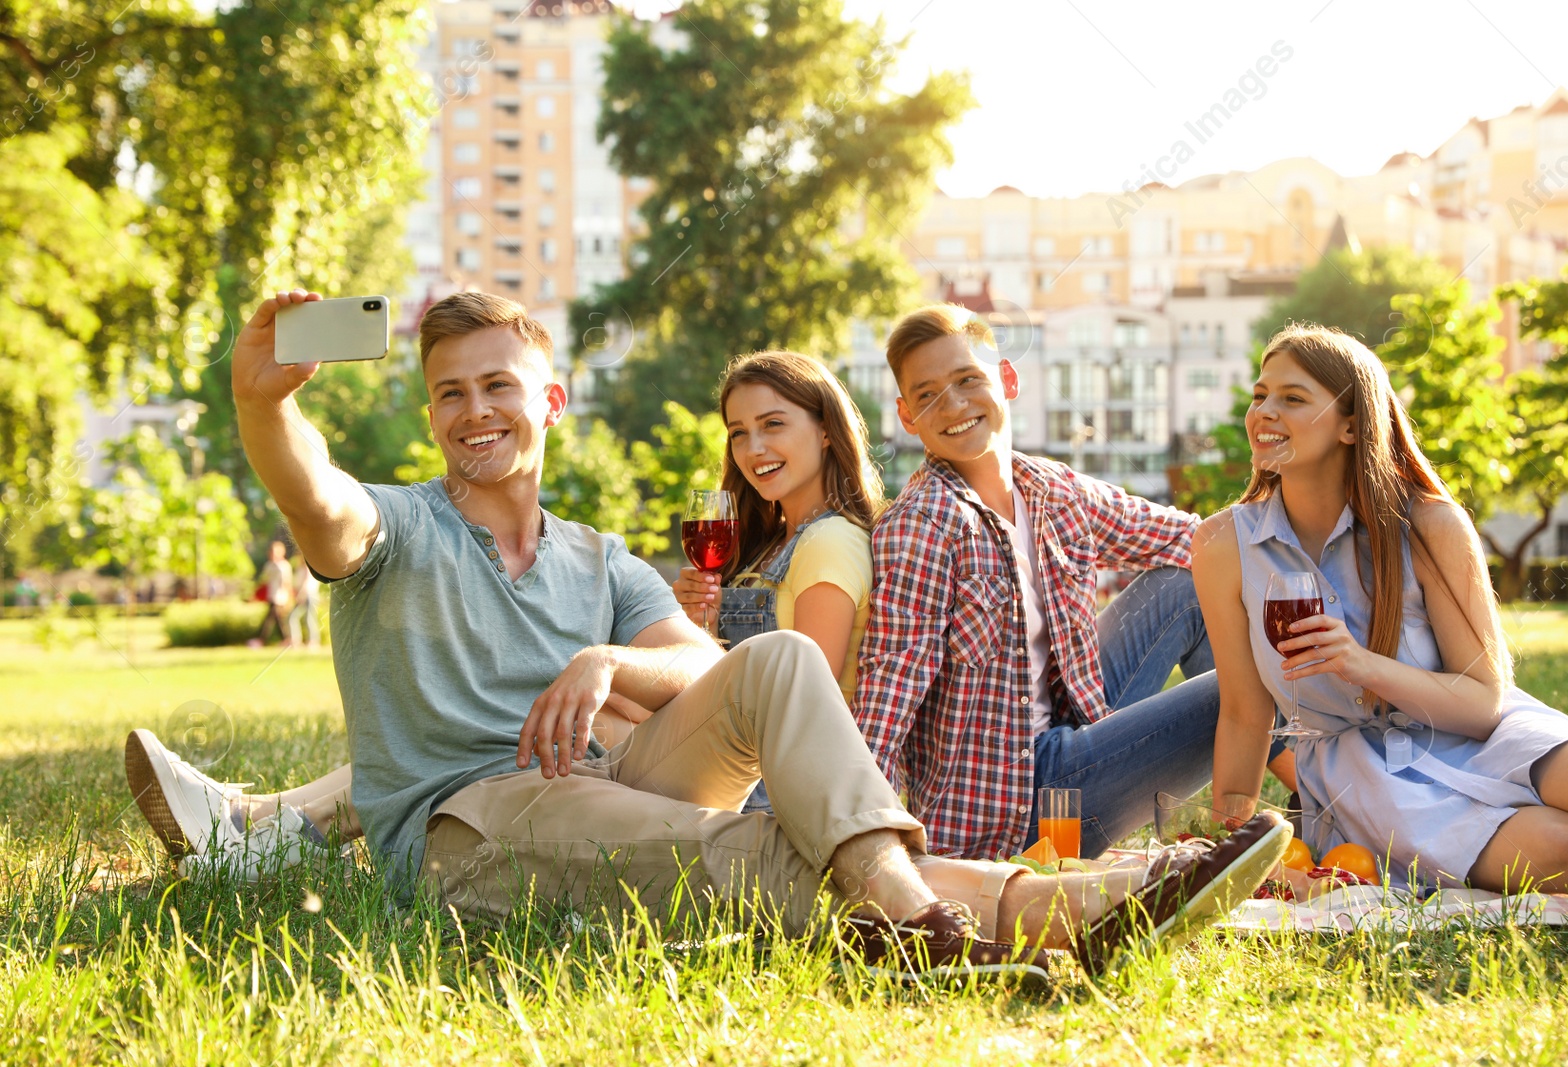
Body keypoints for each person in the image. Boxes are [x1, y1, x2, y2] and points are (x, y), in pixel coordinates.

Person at [124, 288, 1290, 982]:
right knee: (740, 859)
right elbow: (317, 501)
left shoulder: (596, 556)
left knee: (776, 661)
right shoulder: (398, 530)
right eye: (449, 395)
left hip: (596, 773)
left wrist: (609, 660)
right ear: (430, 413)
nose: (474, 411)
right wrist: (263, 407)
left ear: (549, 403)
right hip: (469, 821)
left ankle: (934, 907)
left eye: (498, 386)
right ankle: (1048, 907)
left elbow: (708, 664)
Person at [854, 304, 1295, 863]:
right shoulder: (923, 525)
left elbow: (1197, 539)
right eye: (928, 395)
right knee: (1240, 684)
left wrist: (1323, 563)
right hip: (1022, 806)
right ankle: (1271, 829)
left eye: (968, 380)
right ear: (907, 416)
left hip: (1075, 735)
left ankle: (1308, 787)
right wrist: (871, 852)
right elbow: (888, 699)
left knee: (1188, 582)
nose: (955, 405)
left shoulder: (1047, 487)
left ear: (1008, 379)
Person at [1194, 324, 1568, 895]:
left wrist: (1360, 664)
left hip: (1491, 738)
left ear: (1353, 426)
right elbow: (1242, 714)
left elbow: (1484, 704)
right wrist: (1225, 854)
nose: (1264, 411)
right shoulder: (1221, 547)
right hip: (1367, 784)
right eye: (1260, 395)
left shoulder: (1430, 525)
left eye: (1292, 397)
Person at [672, 351, 882, 813]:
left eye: (773, 424)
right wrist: (700, 622)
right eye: (739, 434)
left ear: (826, 429)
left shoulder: (830, 541)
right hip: (737, 765)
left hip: (774, 792)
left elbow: (807, 703)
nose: (753, 449)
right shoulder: (765, 547)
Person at [253, 540, 293, 646]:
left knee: (270, 619)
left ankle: (262, 640)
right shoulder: (269, 565)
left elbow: (287, 582)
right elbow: (264, 580)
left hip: (280, 596)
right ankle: (286, 639)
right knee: (277, 619)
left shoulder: (284, 566)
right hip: (271, 595)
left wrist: (288, 597)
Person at [285, 554, 320, 649]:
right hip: (301, 595)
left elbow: (306, 582)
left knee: (309, 618)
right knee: (292, 617)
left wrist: (301, 594)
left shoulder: (309, 568)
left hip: (309, 595)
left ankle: (313, 641)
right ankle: (295, 640)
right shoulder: (299, 569)